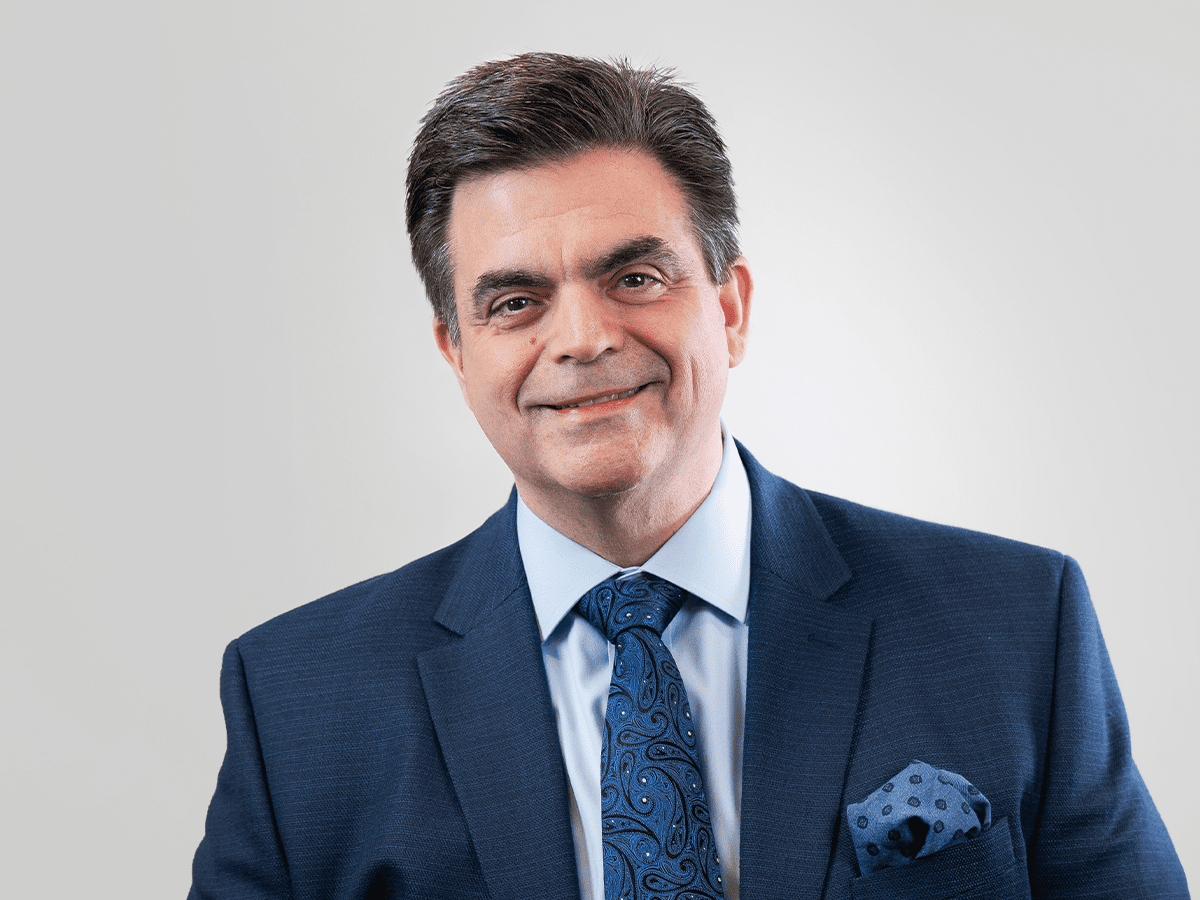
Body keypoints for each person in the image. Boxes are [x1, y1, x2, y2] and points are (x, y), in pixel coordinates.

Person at [189, 53, 1187, 900]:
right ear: (455, 351)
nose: (580, 339)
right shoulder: (295, 706)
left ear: (732, 307)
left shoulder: (1016, 628)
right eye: (515, 301)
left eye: (635, 277)